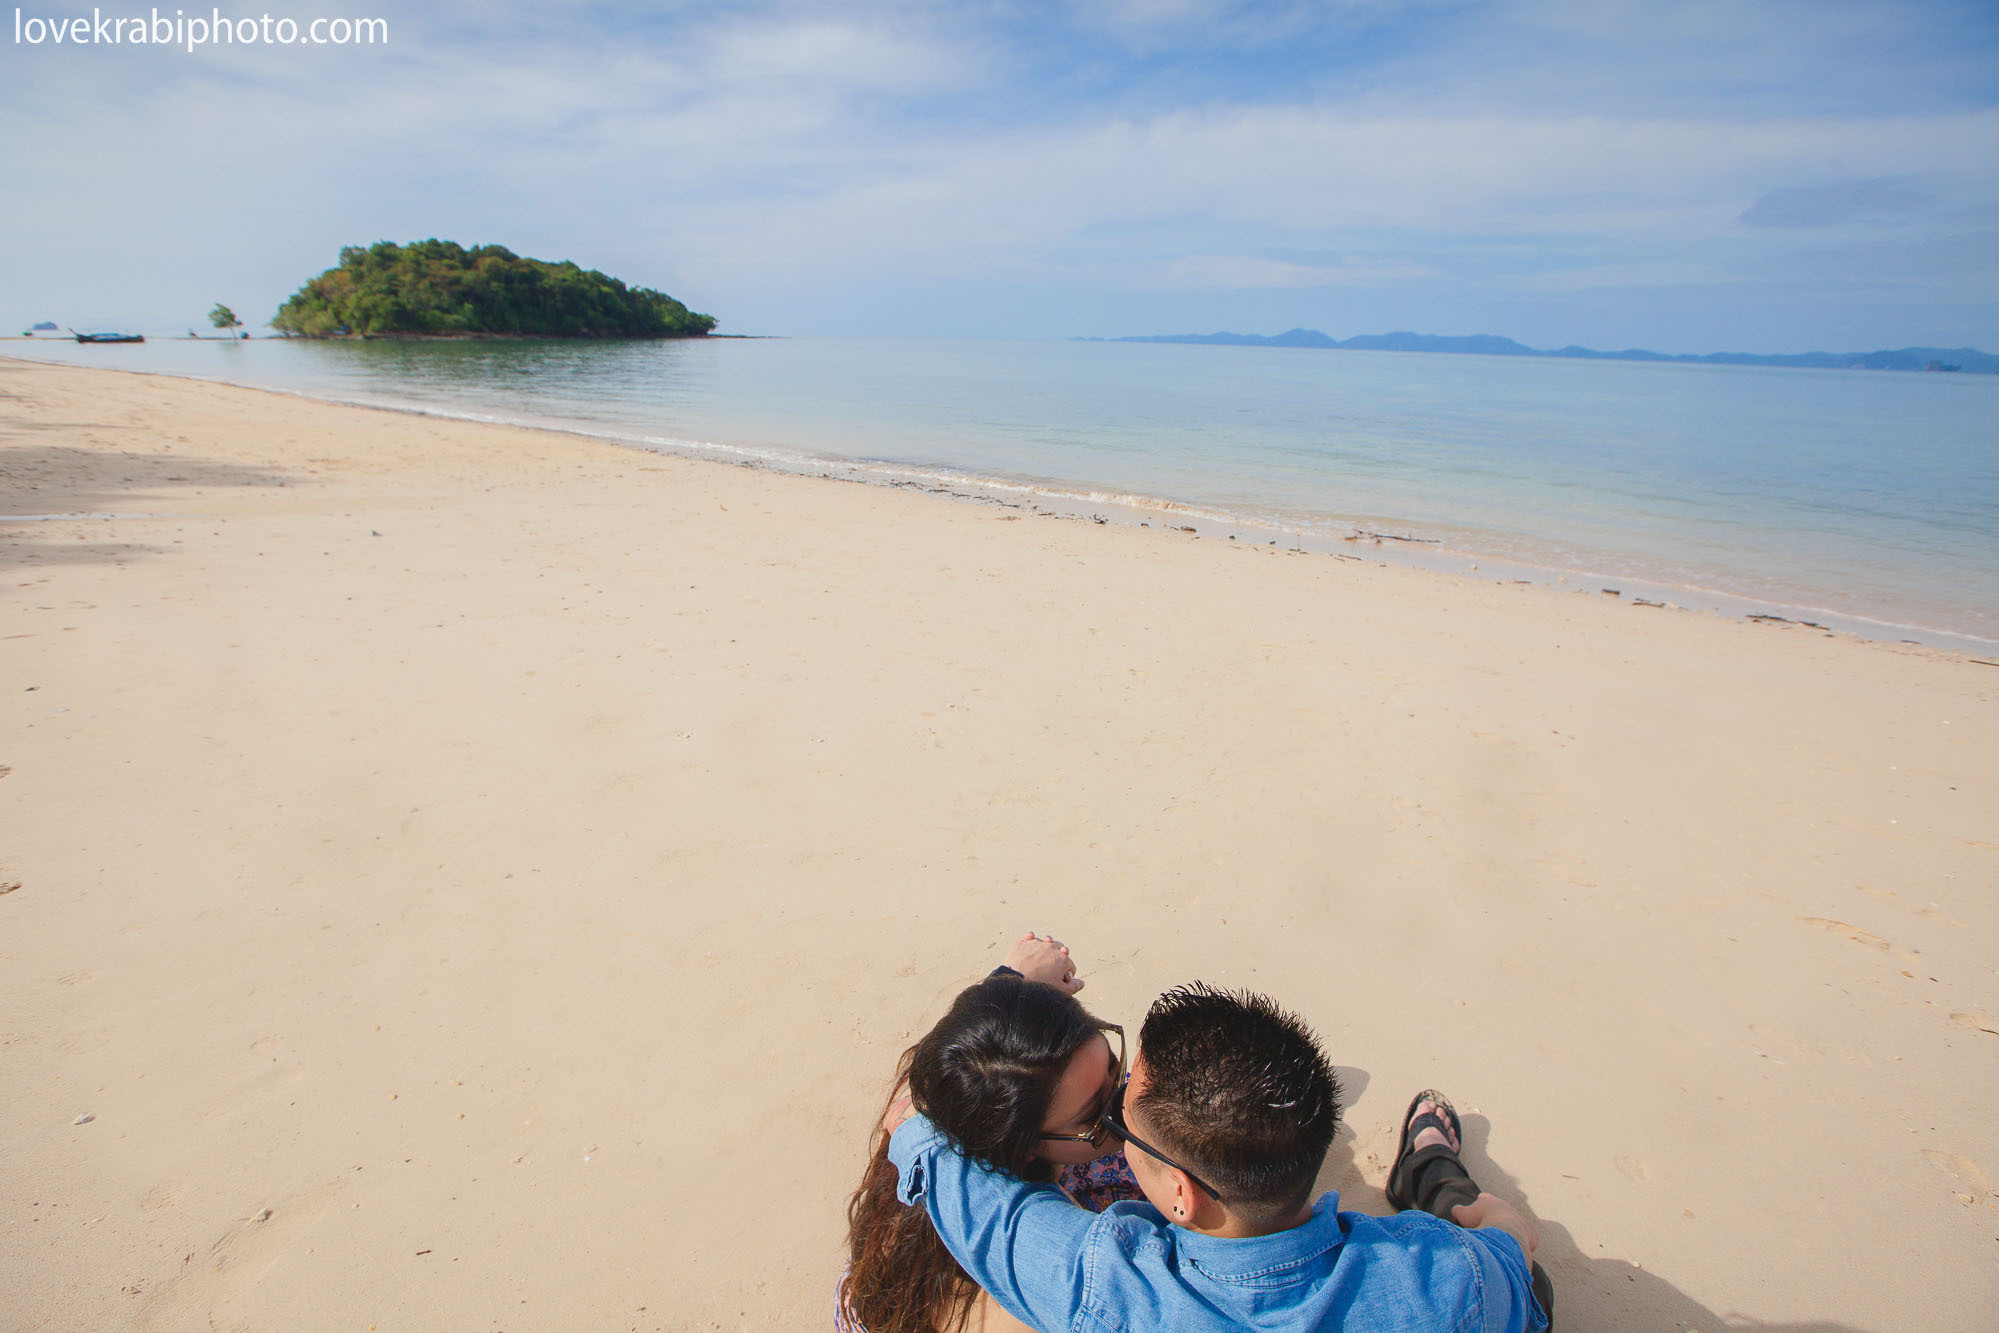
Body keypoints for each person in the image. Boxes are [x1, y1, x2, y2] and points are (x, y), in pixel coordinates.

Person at [889, 980, 1553, 1332]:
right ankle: (1431, 1175)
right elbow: (1511, 1255)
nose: (1116, 1116)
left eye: (1121, 1109)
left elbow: (987, 1212)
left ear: (1182, 1192)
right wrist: (1498, 1225)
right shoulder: (1449, 1278)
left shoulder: (1107, 1290)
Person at [840, 934, 1144, 1333]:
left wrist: (1010, 981)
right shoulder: (1025, 1291)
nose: (1126, 1105)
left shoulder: (926, 1116)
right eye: (1096, 1114)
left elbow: (949, 1056)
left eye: (1113, 1067)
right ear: (1023, 1149)